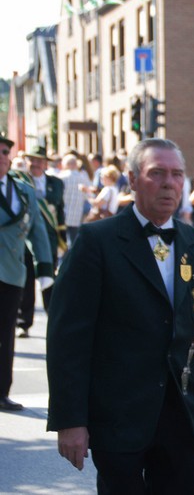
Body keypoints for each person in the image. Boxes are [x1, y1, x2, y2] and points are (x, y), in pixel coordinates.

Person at [46, 138, 194, 492]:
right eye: (157, 173)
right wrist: (70, 419)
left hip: (181, 413)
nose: (169, 183)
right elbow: (68, 337)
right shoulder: (96, 241)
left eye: (177, 174)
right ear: (132, 180)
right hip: (118, 413)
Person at [0, 135, 54, 411]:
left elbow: (37, 230)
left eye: (4, 152)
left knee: (6, 333)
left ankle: (2, 391)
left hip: (12, 271)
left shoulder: (23, 190)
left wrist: (45, 268)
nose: (1, 157)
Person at [16, 145, 64, 336]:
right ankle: (24, 323)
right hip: (26, 240)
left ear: (45, 164)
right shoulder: (20, 181)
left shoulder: (56, 183)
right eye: (32, 160)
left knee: (49, 278)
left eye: (39, 161)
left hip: (49, 239)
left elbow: (58, 207)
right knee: (27, 281)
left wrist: (62, 239)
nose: (35, 164)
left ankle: (53, 319)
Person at [58, 154, 91, 247]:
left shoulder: (61, 177)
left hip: (62, 214)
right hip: (76, 214)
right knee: (73, 242)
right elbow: (87, 196)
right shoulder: (83, 178)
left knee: (62, 243)